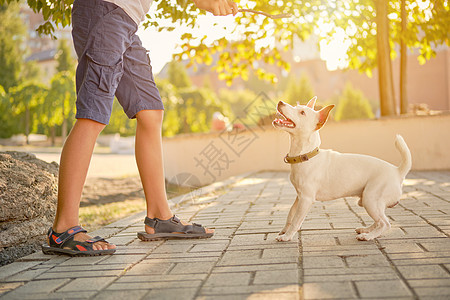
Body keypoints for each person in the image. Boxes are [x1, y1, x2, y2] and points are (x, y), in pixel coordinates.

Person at [42, 0, 238, 256]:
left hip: (125, 20)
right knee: (93, 114)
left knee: (150, 112)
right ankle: (64, 228)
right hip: (104, 10)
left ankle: (159, 216)